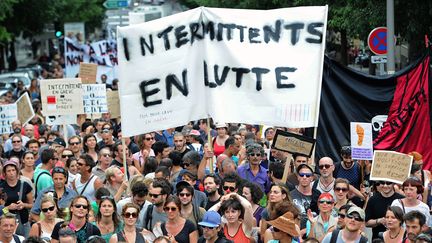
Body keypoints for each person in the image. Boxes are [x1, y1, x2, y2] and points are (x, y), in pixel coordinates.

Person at [0, 160, 33, 237]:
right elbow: (0, 209)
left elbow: (32, 205)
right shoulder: (1, 188)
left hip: (23, 221)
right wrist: (8, 208)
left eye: (13, 170)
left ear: (17, 171)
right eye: (8, 171)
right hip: (7, 223)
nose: (11, 173)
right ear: (4, 173)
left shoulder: (25, 185)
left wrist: (23, 205)